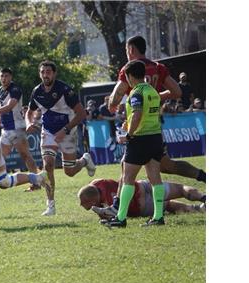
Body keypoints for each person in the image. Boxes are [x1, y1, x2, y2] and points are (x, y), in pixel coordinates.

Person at [108, 35, 206, 184]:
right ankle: (203, 176)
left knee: (127, 168)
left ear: (131, 49)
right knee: (167, 166)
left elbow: (115, 98)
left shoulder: (130, 69)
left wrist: (112, 104)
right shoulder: (158, 67)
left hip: (138, 126)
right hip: (154, 125)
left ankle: (117, 205)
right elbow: (177, 92)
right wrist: (154, 97)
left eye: (126, 50)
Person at [25, 60, 96, 216]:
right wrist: (29, 122)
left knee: (69, 171)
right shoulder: (37, 91)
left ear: (54, 74)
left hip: (68, 130)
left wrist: (65, 130)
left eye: (48, 72)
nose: (45, 75)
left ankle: (84, 160)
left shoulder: (65, 89)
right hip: (48, 131)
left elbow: (81, 113)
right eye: (42, 72)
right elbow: (29, 112)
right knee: (48, 165)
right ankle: (50, 205)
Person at [104, 60, 165, 228]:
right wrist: (129, 122)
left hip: (140, 140)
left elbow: (137, 114)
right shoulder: (153, 91)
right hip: (155, 138)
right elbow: (149, 114)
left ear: (130, 76)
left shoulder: (136, 93)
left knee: (127, 179)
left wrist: (129, 134)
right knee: (155, 179)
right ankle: (158, 217)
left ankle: (121, 218)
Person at [0, 68, 40, 193]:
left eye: (6, 76)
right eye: (2, 76)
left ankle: (36, 182)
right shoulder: (0, 90)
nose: (4, 78)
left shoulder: (15, 89)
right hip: (6, 129)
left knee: (25, 156)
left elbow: (9, 106)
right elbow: (1, 105)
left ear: (11, 77)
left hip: (17, 128)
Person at [78, 179, 206, 220]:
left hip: (141, 206)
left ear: (92, 201)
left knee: (168, 205)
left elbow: (112, 216)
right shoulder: (97, 182)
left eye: (84, 203)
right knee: (180, 189)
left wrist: (102, 214)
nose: (81, 205)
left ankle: (197, 209)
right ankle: (203, 198)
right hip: (141, 186)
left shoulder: (107, 205)